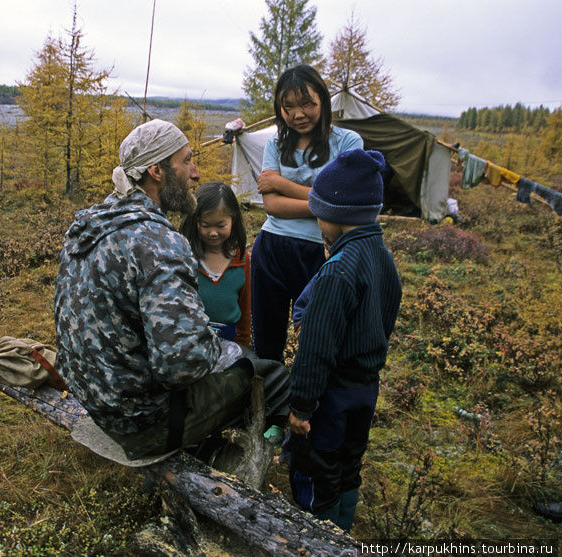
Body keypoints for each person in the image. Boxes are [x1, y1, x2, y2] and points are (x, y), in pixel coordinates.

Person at [54, 120, 290, 460]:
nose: (195, 174)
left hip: (96, 402)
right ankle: (253, 454)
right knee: (267, 372)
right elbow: (182, 365)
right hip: (141, 425)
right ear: (157, 170)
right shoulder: (160, 242)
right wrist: (221, 347)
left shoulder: (91, 225)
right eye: (186, 161)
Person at [284, 149, 402, 532]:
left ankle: (320, 536)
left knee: (321, 468)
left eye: (319, 212)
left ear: (336, 215)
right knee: (351, 465)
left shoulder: (337, 272)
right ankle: (346, 530)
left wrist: (301, 408)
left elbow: (315, 350)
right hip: (367, 387)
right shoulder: (383, 257)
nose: (317, 220)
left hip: (332, 395)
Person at [252, 64, 364, 362]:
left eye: (307, 104)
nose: (298, 114)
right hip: (272, 248)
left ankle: (308, 402)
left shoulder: (349, 142)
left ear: (323, 101)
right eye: (288, 107)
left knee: (319, 335)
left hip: (323, 252)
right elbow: (272, 206)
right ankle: (270, 400)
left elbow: (343, 205)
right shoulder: (276, 144)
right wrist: (323, 203)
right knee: (267, 339)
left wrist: (279, 183)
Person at [179, 181, 251, 347]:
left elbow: (245, 309)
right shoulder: (186, 258)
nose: (212, 232)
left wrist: (243, 345)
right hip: (193, 342)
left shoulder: (242, 260)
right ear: (195, 221)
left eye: (221, 225)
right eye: (205, 225)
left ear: (233, 219)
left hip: (230, 342)